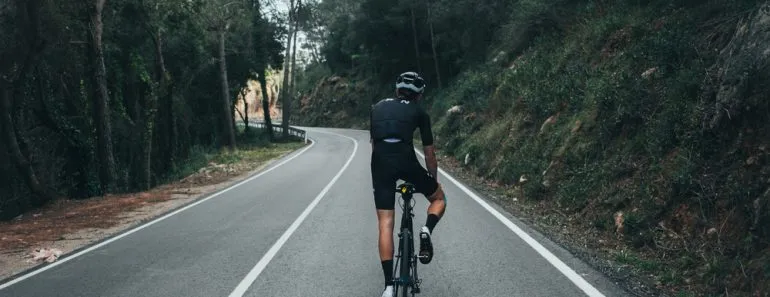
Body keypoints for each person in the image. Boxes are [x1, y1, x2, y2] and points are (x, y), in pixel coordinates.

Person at [369, 71, 447, 297]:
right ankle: (426, 229)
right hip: (406, 160)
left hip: (381, 163)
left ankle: (388, 287)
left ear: (397, 90)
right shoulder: (419, 112)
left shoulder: (376, 108)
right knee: (439, 198)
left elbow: (375, 145)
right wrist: (432, 180)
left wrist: (382, 172)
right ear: (419, 95)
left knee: (385, 223)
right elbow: (429, 154)